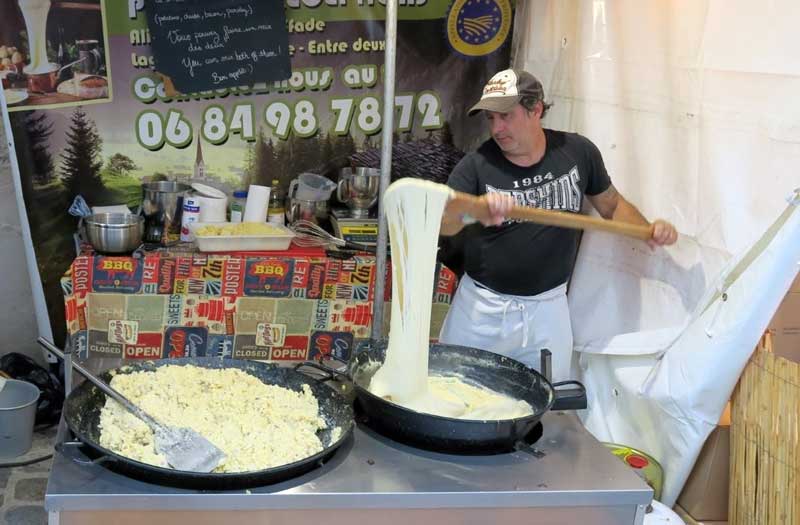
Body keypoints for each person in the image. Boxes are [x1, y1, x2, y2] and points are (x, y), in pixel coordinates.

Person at [438, 68, 678, 382]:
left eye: (506, 116)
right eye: (491, 119)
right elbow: (444, 222)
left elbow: (612, 205)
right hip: (482, 311)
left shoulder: (577, 153)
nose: (497, 128)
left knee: (544, 403)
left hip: (547, 311)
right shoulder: (476, 166)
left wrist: (648, 230)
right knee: (457, 396)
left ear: (535, 109)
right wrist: (475, 211)